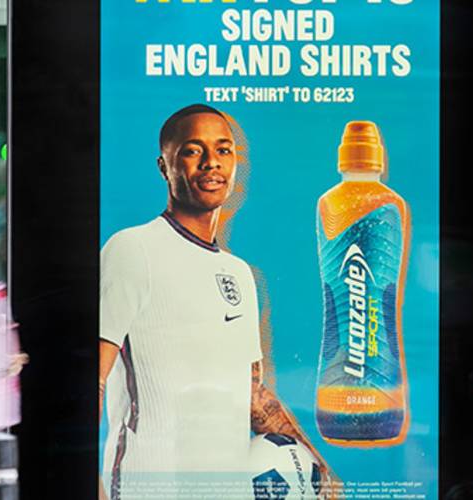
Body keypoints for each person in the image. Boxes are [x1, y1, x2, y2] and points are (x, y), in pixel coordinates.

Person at [98, 104, 329, 499]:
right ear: (164, 165)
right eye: (192, 150)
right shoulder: (133, 249)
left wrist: (318, 470)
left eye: (223, 151)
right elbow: (91, 380)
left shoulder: (239, 273)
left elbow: (253, 394)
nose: (211, 163)